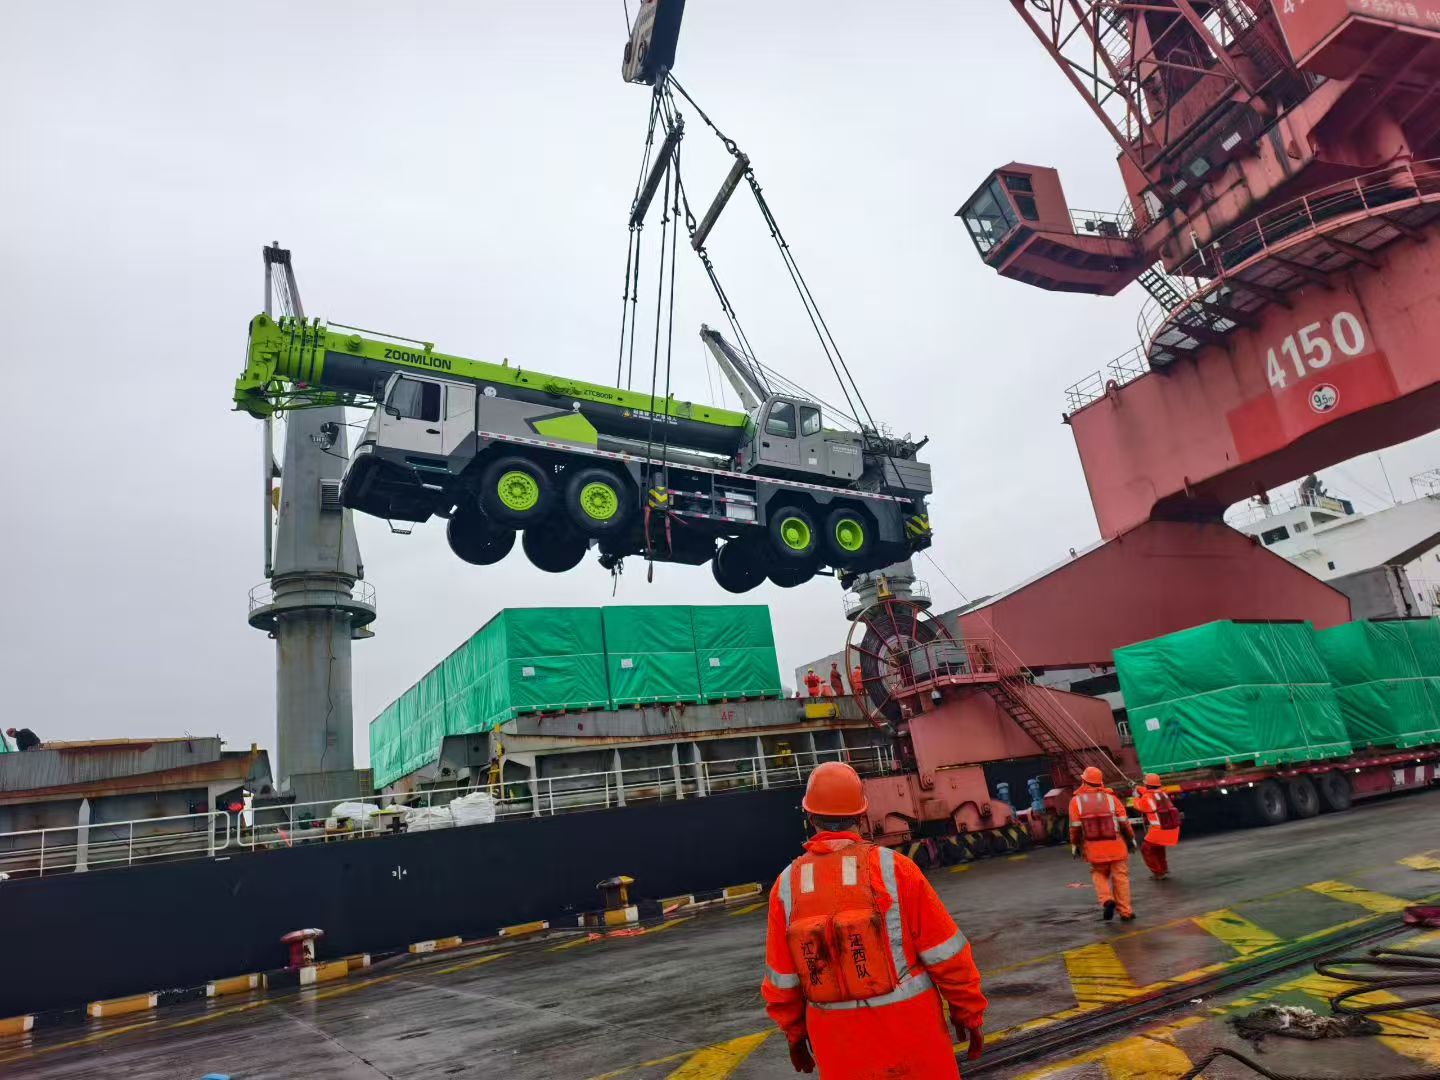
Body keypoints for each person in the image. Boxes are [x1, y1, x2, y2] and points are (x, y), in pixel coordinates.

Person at [762, 762, 987, 1078]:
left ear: (810, 818)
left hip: (839, 1046)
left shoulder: (786, 888)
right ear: (861, 815)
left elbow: (782, 980)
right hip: (913, 1036)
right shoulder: (895, 869)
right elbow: (947, 955)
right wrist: (969, 1014)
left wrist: (795, 1035)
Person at [1068, 766, 1137, 922]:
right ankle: (1126, 912)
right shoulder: (1112, 799)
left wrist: (1075, 845)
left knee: (1099, 874)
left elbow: (1075, 828)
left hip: (1094, 848)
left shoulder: (1076, 801)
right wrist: (1131, 839)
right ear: (1100, 782)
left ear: (1083, 780)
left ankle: (1107, 900)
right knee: (1121, 878)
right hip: (1116, 846)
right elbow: (1124, 823)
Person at [1133, 774, 1180, 880]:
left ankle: (1158, 873)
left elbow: (1139, 806)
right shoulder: (1162, 793)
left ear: (1147, 784)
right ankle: (1163, 869)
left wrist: (1135, 797)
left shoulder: (1147, 797)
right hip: (1170, 828)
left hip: (1159, 829)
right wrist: (1137, 787)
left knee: (1146, 849)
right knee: (1159, 848)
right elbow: (1148, 792)